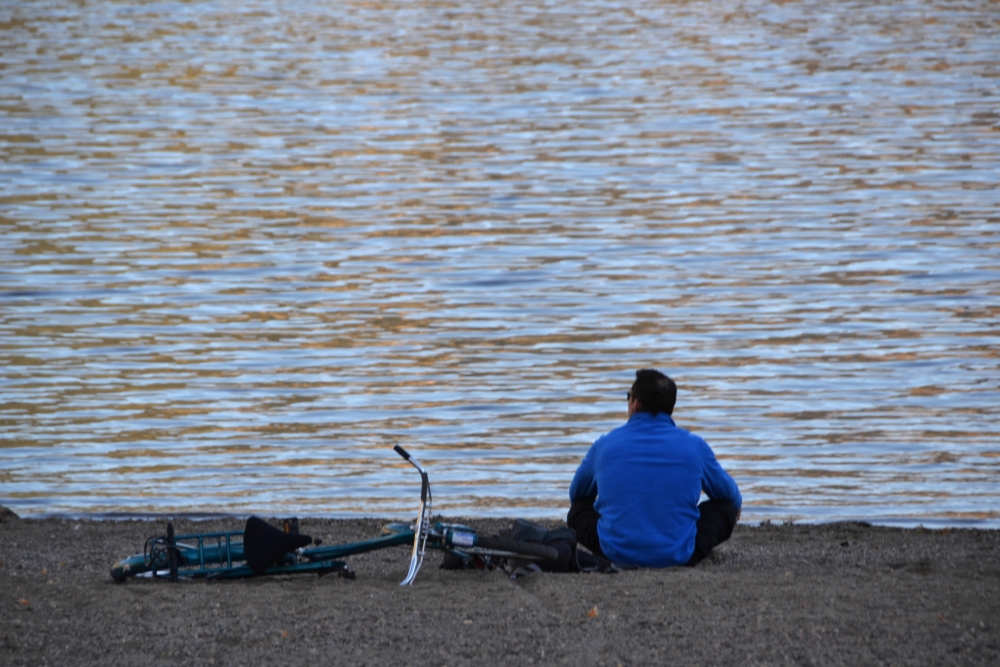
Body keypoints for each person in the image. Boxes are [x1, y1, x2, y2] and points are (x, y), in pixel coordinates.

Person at [568, 369, 741, 567]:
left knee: (578, 510)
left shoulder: (605, 445)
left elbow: (577, 494)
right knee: (725, 507)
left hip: (615, 553)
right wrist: (735, 504)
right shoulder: (695, 446)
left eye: (628, 397)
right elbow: (729, 494)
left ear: (636, 405)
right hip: (679, 556)